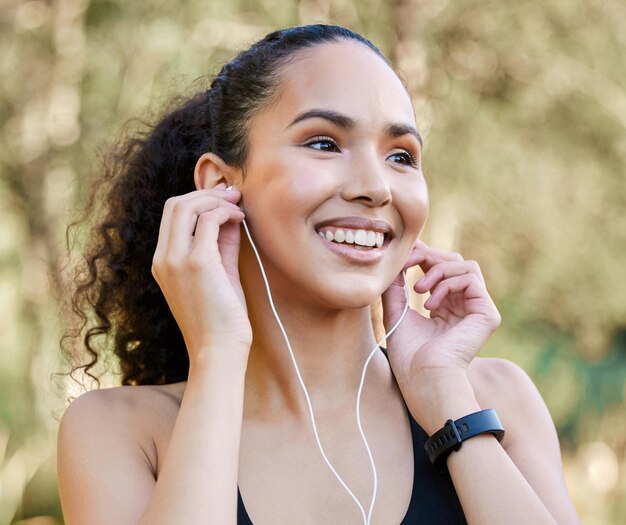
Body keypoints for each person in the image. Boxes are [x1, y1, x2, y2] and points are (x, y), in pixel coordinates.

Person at [57, 24, 581, 524]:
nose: (376, 187)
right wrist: (217, 353)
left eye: (401, 155)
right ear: (219, 183)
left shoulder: (495, 398)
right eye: (324, 143)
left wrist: (449, 406)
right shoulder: (122, 431)